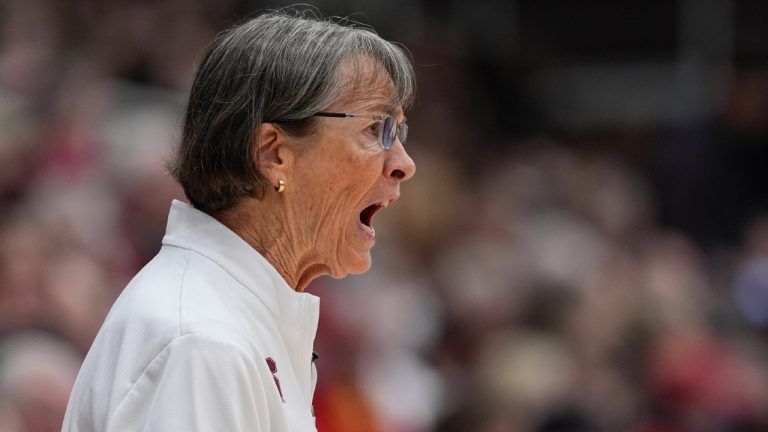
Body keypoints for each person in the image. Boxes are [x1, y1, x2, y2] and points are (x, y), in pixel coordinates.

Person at [61, 9, 416, 432]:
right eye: (378, 130)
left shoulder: (229, 319)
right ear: (272, 153)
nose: (404, 164)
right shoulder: (203, 341)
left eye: (400, 132)